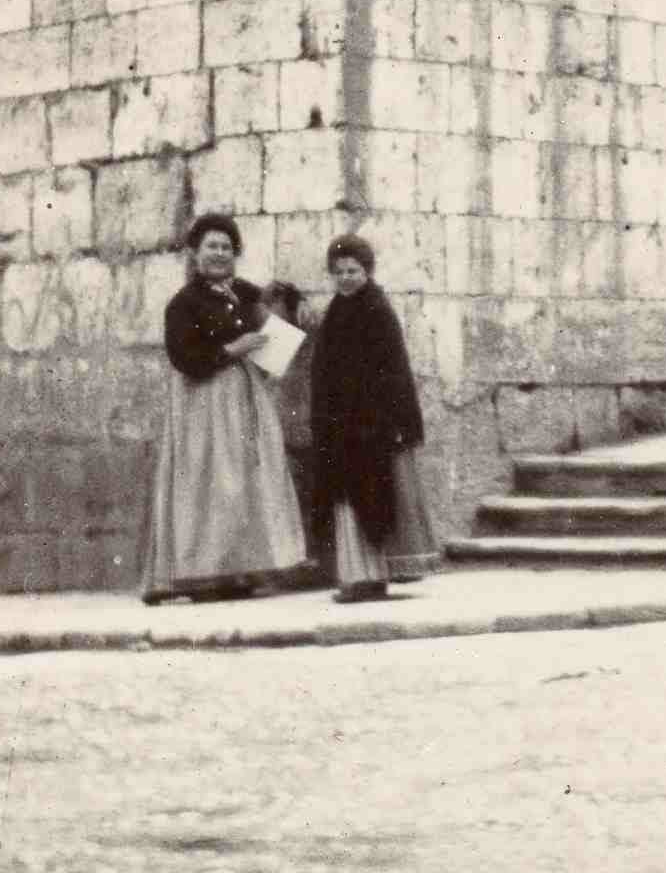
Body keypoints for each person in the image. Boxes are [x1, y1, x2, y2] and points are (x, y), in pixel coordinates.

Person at [141, 212, 309, 605]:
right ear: (195, 253)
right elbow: (183, 356)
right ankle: (204, 573)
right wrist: (234, 348)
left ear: (235, 254)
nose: (219, 254)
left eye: (226, 247)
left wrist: (298, 304)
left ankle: (239, 570)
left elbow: (276, 295)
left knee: (245, 481)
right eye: (211, 247)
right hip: (203, 402)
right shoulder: (184, 303)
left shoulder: (244, 293)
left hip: (244, 400)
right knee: (210, 480)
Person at [307, 235, 443, 605]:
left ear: (368, 271)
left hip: (370, 424)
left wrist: (390, 420)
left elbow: (393, 371)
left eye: (354, 270)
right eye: (339, 272)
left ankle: (370, 578)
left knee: (369, 499)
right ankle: (358, 576)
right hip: (344, 424)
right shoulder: (339, 308)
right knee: (351, 501)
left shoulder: (376, 309)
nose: (346, 278)